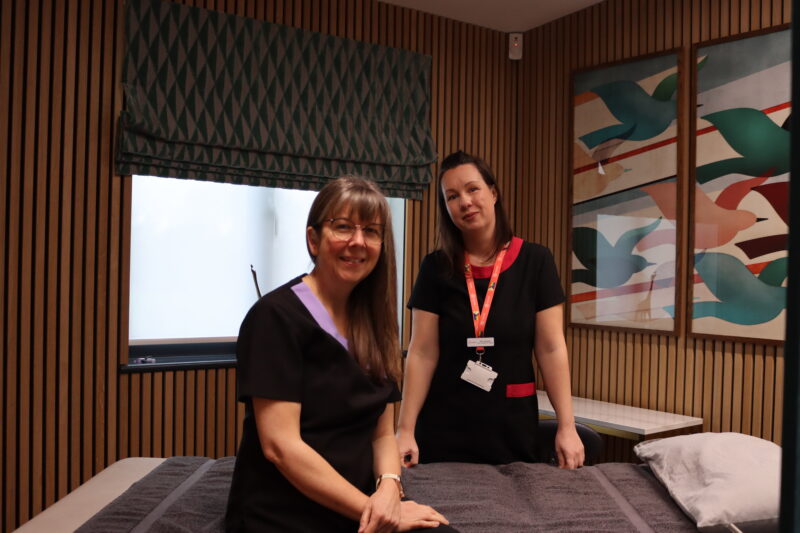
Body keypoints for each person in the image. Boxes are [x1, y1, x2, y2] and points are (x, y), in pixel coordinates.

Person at [225, 177, 454, 533]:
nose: (358, 242)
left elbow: (381, 435)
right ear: (313, 239)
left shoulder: (375, 323)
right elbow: (280, 447)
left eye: (372, 231)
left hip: (361, 497)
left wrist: (390, 488)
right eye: (343, 227)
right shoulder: (274, 318)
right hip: (287, 507)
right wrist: (376, 512)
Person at [395, 151, 585, 469]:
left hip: (511, 426)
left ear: (493, 193)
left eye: (472, 189)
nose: (465, 202)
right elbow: (422, 352)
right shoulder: (435, 267)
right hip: (445, 425)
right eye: (452, 196)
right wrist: (404, 429)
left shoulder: (535, 262)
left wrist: (567, 426)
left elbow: (551, 349)